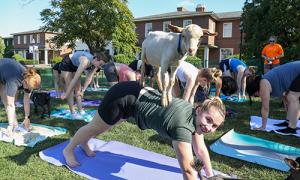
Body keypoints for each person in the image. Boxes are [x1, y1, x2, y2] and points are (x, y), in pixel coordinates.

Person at [63, 81, 226, 179]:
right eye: (208, 120)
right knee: (97, 126)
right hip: (124, 98)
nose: (209, 127)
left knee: (105, 125)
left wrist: (210, 175)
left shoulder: (195, 119)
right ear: (198, 111)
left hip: (136, 96)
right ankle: (69, 149)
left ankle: (84, 142)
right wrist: (198, 175)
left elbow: (200, 150)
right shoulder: (182, 128)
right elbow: (189, 170)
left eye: (214, 126)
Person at [246, 61, 300, 135]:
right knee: (288, 97)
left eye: (255, 95)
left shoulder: (263, 84)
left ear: (255, 89)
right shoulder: (266, 80)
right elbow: (285, 99)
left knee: (292, 96)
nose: (258, 96)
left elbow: (265, 108)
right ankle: (288, 122)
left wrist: (263, 126)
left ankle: (292, 127)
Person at [60, 51, 105, 118]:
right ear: (96, 59)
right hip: (67, 63)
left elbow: (89, 78)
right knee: (70, 89)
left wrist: (83, 91)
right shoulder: (85, 61)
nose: (100, 67)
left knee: (78, 89)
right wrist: (66, 94)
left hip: (75, 65)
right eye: (100, 64)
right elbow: (74, 79)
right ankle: (73, 112)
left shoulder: (95, 66)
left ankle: (80, 110)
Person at [0, 58, 41, 133]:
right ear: (25, 82)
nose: (29, 90)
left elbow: (26, 100)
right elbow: (10, 105)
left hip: (8, 71)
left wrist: (27, 117)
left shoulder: (30, 78)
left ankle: (14, 124)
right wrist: (10, 125)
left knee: (11, 102)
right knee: (8, 103)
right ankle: (12, 124)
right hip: (4, 70)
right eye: (28, 88)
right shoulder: (13, 81)